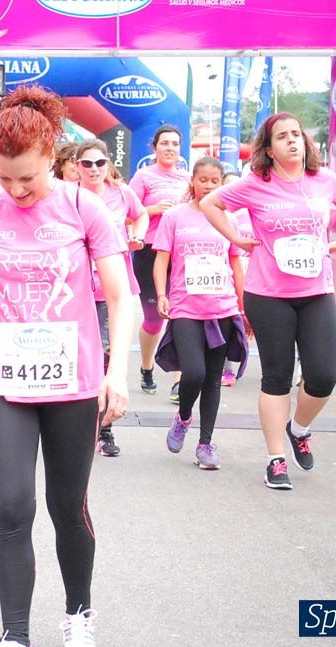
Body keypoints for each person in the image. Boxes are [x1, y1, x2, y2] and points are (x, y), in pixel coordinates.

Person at [0, 86, 133, 647]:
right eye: (2, 178)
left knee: (67, 506)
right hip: (4, 380)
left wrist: (118, 370)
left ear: (51, 154)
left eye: (26, 179)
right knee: (12, 507)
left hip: (74, 382)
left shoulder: (86, 209)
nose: (13, 190)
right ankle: (14, 638)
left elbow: (120, 296)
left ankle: (78, 618)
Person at [199, 112, 336, 490]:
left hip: (316, 292)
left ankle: (299, 428)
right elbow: (211, 204)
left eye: (296, 135)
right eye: (283, 137)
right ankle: (275, 459)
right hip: (268, 293)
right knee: (277, 377)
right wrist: (237, 240)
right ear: (269, 150)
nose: (292, 141)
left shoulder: (323, 181)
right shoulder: (255, 184)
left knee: (323, 376)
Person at [151, 158, 248, 471]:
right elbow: (161, 260)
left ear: (222, 184)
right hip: (185, 306)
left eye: (214, 181)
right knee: (194, 373)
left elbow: (235, 263)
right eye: (203, 179)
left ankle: (205, 444)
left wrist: (245, 308)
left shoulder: (227, 218)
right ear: (192, 181)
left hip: (222, 307)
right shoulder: (175, 216)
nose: (208, 185)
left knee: (214, 380)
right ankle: (182, 417)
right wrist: (162, 295)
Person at [75, 139, 148, 458]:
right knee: (78, 356)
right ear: (77, 166)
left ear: (108, 164)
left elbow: (141, 215)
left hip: (111, 290)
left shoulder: (121, 193)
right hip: (75, 290)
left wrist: (137, 236)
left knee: (106, 356)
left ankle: (103, 429)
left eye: (99, 163)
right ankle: (75, 426)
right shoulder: (68, 195)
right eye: (87, 164)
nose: (94, 169)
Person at [128, 125, 191, 401]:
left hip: (179, 251)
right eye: (164, 143)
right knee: (154, 320)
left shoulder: (187, 178)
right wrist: (153, 210)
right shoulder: (143, 176)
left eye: (175, 144)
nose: (170, 148)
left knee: (179, 314)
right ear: (154, 147)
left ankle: (179, 379)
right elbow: (127, 214)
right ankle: (146, 366)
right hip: (149, 251)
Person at [219, 171, 252, 388]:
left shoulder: (253, 211)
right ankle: (226, 368)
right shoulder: (218, 216)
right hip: (227, 277)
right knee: (227, 324)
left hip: (254, 275)